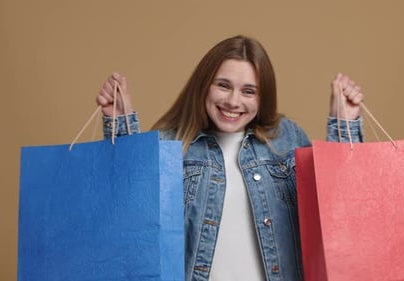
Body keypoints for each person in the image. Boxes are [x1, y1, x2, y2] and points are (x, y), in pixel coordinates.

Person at [96, 35, 364, 281]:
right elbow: (128, 215)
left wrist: (345, 126)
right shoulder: (171, 145)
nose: (234, 101)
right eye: (223, 86)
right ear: (204, 86)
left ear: (262, 97)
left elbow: (335, 212)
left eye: (248, 91)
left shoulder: (286, 138)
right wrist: (120, 124)